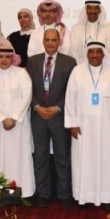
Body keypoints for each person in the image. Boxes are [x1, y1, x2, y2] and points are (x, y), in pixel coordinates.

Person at [64, 41, 110, 209]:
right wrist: (72, 124)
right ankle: (85, 196)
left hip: (107, 127)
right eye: (92, 52)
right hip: (83, 127)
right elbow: (70, 98)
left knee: (106, 161)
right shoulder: (77, 72)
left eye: (98, 52)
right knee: (84, 161)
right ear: (87, 54)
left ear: (104, 54)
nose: (95, 55)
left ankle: (106, 196)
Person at [27, 29, 77, 208]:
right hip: (38, 116)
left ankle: (64, 194)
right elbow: (28, 88)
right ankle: (42, 193)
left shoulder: (69, 62)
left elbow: (71, 91)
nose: (50, 43)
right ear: (43, 41)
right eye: (47, 40)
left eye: (53, 40)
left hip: (59, 116)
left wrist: (57, 108)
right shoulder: (32, 61)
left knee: (62, 157)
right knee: (40, 157)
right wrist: (37, 107)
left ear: (59, 42)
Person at [0, 45, 36, 198]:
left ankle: (23, 192)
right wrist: (2, 118)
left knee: (20, 157)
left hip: (19, 125)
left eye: (7, 57)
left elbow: (27, 96)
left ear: (13, 58)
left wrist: (14, 117)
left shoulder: (22, 73)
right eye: (1, 57)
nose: (4, 60)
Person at [69, 0, 110, 64]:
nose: (93, 11)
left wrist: (99, 65)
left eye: (96, 8)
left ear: (100, 10)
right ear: (86, 10)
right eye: (90, 8)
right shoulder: (76, 28)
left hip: (103, 66)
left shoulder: (109, 28)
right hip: (80, 66)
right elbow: (73, 51)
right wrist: (82, 66)